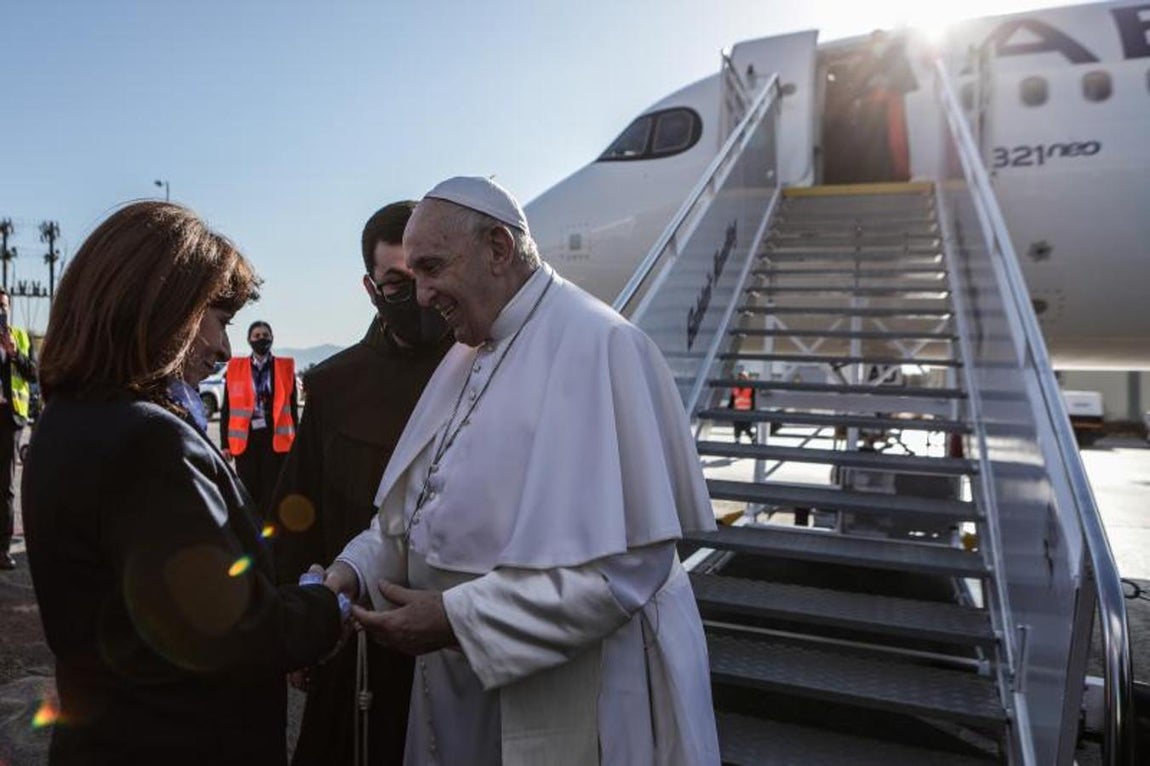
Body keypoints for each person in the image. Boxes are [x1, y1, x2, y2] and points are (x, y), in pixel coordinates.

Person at [324, 177, 720, 765]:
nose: (423, 296)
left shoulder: (603, 344)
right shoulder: (465, 355)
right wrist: (350, 572)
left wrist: (459, 620)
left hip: (572, 690)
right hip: (456, 686)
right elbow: (408, 520)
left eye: (431, 268)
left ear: (498, 248)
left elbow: (629, 567)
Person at [23, 201, 344, 765]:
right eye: (219, 320)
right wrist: (326, 605)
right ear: (164, 309)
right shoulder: (149, 441)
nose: (224, 350)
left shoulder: (68, 418)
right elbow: (232, 630)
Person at [271, 201, 452, 766]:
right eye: (396, 282)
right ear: (370, 289)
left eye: (424, 274)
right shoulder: (335, 383)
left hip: (453, 633)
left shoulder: (476, 368)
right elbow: (296, 507)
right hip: (355, 633)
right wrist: (300, 622)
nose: (416, 296)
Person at [221, 321, 299, 518]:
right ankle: (251, 530)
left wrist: (297, 443)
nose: (261, 339)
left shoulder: (284, 368)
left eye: (265, 335)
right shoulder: (235, 368)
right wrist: (224, 444)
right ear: (249, 340)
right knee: (247, 490)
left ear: (272, 338)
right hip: (246, 441)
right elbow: (227, 408)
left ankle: (270, 531)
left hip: (275, 440)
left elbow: (292, 410)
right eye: (257, 336)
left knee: (272, 492)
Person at [0, 287, 35, 570]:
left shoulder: (20, 337)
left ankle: (2, 549)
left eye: (4, 306)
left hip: (8, 419)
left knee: (5, 486)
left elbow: (33, 374)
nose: (1, 310)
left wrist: (14, 352)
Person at [727, 369, 756, 444]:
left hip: (747, 411)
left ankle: (753, 438)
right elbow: (732, 399)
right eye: (740, 376)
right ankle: (737, 440)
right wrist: (729, 408)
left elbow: (753, 400)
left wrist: (753, 411)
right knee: (737, 426)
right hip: (737, 411)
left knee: (746, 428)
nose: (741, 378)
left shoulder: (751, 388)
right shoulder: (735, 388)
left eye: (743, 377)